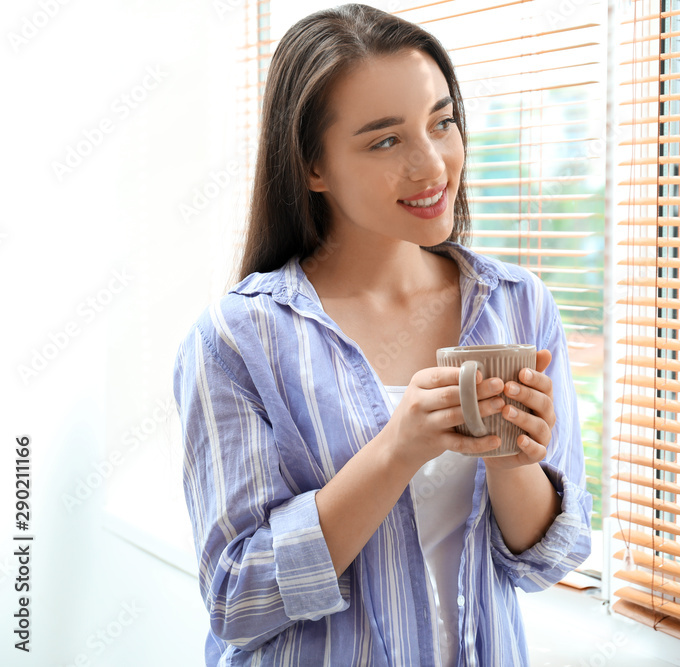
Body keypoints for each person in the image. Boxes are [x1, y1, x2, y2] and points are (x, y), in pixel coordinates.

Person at [172, 4, 592, 666]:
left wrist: (513, 458)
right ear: (313, 167)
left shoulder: (518, 305)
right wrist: (396, 449)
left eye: (443, 122)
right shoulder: (236, 338)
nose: (433, 166)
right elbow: (236, 601)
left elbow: (546, 562)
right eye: (385, 140)